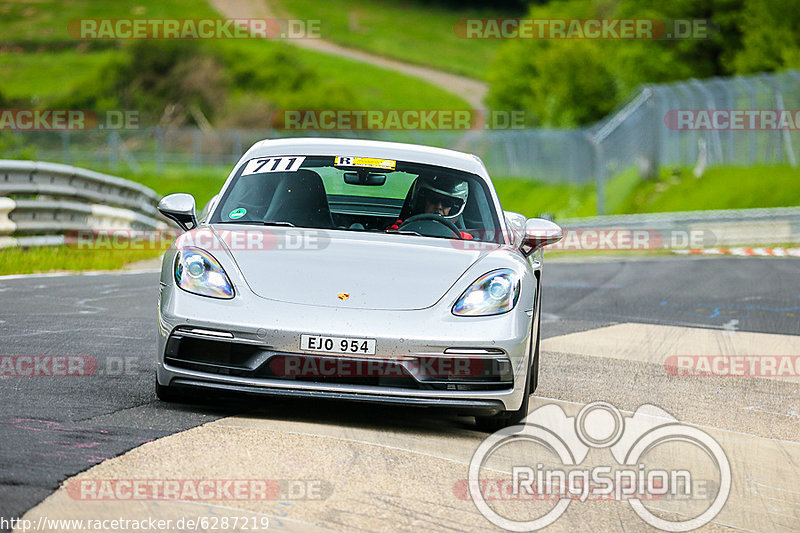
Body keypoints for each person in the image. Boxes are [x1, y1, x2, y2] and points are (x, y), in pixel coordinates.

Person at [388, 174, 473, 238]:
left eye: (447, 203)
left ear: (453, 207)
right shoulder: (399, 229)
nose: (439, 206)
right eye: (434, 199)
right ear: (423, 202)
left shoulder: (463, 238)